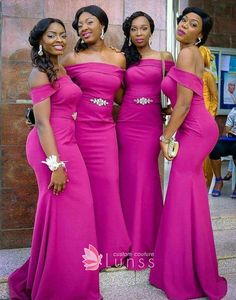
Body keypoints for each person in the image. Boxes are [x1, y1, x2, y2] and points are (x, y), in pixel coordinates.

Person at [8, 18, 101, 300]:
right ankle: (55, 286)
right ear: (40, 41)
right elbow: (43, 123)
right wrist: (56, 164)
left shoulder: (60, 68)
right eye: (52, 35)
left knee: (77, 213)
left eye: (62, 34)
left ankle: (72, 280)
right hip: (51, 148)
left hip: (68, 144)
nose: (59, 39)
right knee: (59, 212)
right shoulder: (39, 73)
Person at [149, 7, 227, 299]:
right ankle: (189, 267)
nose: (184, 25)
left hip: (195, 130)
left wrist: (164, 136)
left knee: (182, 192)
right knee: (188, 193)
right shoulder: (187, 54)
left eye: (193, 24)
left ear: (200, 35)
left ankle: (185, 272)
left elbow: (184, 106)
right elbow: (180, 102)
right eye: (183, 20)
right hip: (194, 128)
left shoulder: (188, 53)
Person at [62, 5, 130, 269]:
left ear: (103, 25)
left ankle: (111, 249)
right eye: (79, 25)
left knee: (108, 184)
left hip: (106, 131)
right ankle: (82, 248)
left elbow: (122, 97)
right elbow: (59, 96)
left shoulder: (119, 59)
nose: (84, 28)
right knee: (82, 191)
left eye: (89, 22)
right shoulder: (71, 60)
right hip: (78, 133)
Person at [116, 11, 174, 270]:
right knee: (128, 180)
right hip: (127, 123)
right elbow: (118, 93)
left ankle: (147, 244)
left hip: (151, 125)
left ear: (152, 31)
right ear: (129, 33)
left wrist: (169, 108)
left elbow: (176, 89)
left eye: (144, 29)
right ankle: (124, 243)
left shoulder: (165, 58)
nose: (139, 34)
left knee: (147, 178)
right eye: (134, 29)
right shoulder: (122, 59)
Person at [199, 45, 218, 186]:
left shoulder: (208, 76)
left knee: (204, 154)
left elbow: (214, 99)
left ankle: (205, 182)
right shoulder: (192, 75)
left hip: (205, 118)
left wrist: (209, 117)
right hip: (192, 118)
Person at [210, 106, 236, 198]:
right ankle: (218, 181)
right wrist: (228, 133)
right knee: (215, 149)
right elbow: (225, 131)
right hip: (232, 140)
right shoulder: (234, 111)